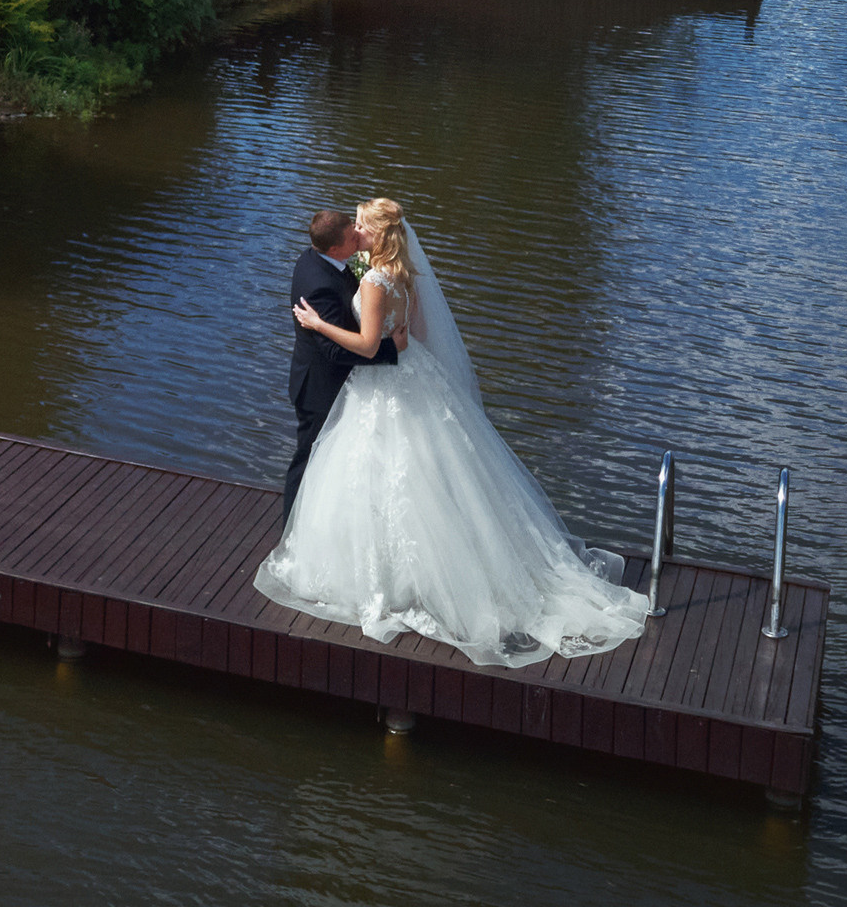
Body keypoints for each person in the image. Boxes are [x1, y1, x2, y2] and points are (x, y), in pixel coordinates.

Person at [257, 198, 649, 668]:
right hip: (411, 374)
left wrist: (325, 325)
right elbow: (415, 333)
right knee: (419, 469)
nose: (358, 233)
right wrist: (395, 342)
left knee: (380, 469)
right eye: (354, 229)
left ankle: (393, 576)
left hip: (382, 381)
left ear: (375, 236)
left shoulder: (376, 278)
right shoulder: (402, 274)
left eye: (363, 227)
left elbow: (366, 344)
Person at [283, 207, 399, 522]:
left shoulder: (317, 258)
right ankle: (291, 532)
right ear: (334, 248)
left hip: (336, 381)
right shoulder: (319, 283)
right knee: (308, 460)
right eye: (352, 236)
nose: (358, 236)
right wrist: (390, 349)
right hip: (320, 388)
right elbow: (333, 352)